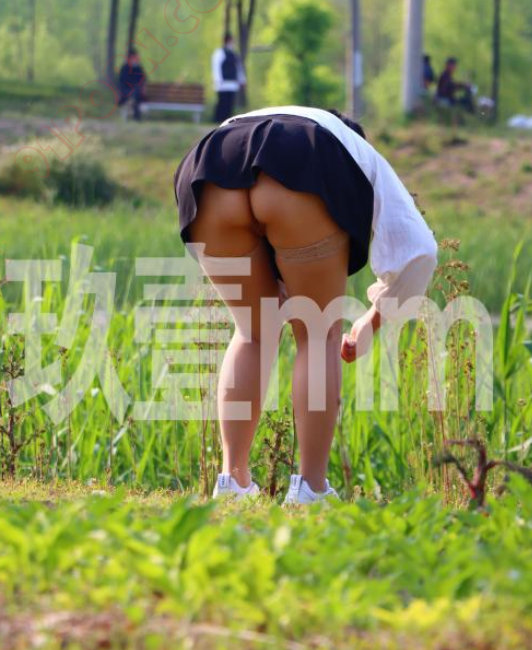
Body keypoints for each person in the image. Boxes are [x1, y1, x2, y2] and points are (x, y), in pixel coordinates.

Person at [174, 106, 438, 505]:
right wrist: (372, 320)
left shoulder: (264, 121)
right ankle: (311, 489)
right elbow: (419, 251)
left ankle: (232, 482)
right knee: (317, 334)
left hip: (209, 166)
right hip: (304, 164)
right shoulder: (353, 149)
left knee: (252, 331)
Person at [211, 32, 246, 123]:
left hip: (232, 83)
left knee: (229, 104)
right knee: (222, 102)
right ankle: (218, 119)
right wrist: (218, 80)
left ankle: (227, 120)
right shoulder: (219, 53)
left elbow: (239, 68)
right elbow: (216, 67)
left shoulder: (234, 54)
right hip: (222, 83)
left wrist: (242, 80)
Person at [118, 48, 147, 121]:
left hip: (136, 92)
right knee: (135, 93)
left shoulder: (138, 68)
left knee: (136, 93)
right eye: (136, 57)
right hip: (126, 91)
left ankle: (136, 115)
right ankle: (136, 116)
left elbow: (143, 79)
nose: (137, 59)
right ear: (131, 58)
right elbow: (124, 82)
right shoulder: (125, 68)